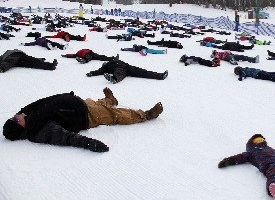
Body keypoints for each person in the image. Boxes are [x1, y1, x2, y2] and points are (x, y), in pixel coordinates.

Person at [2, 88, 163, 152]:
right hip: (87, 116)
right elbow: (67, 138)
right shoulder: (39, 131)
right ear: (20, 128)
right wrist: (90, 143)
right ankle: (145, 115)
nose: (17, 115)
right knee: (116, 115)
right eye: (15, 119)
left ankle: (111, 100)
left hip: (81, 104)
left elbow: (39, 102)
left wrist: (65, 96)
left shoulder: (28, 116)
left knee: (97, 103)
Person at [86, 59, 168, 83]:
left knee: (143, 72)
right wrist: (92, 73)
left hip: (128, 67)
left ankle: (160, 76)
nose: (105, 62)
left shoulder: (113, 61)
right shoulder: (105, 68)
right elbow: (98, 71)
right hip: (120, 69)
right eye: (104, 63)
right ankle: (114, 79)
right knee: (119, 72)